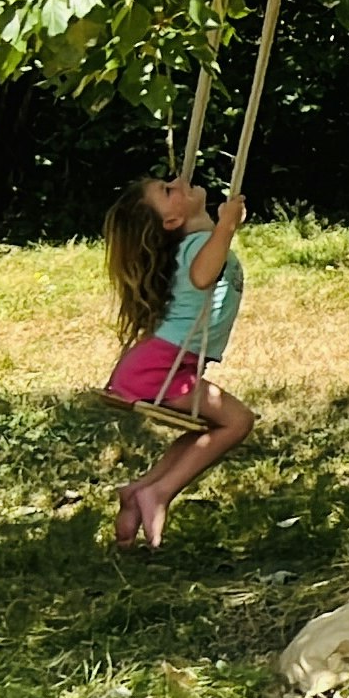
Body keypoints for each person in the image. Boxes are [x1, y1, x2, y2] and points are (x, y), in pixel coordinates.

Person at [100, 171, 255, 549]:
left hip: (165, 366)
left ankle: (140, 489)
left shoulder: (197, 243)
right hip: (161, 367)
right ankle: (160, 493)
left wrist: (221, 230)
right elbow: (204, 276)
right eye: (168, 191)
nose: (179, 180)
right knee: (237, 422)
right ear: (171, 221)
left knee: (211, 427)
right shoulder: (196, 248)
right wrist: (226, 226)